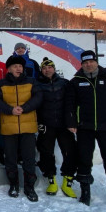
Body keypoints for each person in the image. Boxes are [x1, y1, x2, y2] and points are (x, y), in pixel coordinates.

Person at [64, 50, 106, 211]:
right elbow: (70, 104)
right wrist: (71, 122)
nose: (88, 64)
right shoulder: (76, 81)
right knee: (84, 159)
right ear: (82, 64)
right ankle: (85, 191)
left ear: (96, 62)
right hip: (84, 127)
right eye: (85, 62)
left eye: (91, 62)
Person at [0, 55, 42, 202]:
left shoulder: (32, 81)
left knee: (29, 159)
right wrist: (10, 110)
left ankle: (29, 187)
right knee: (11, 158)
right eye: (15, 66)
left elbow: (38, 97)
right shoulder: (1, 83)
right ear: (9, 69)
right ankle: (13, 185)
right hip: (9, 126)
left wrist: (25, 108)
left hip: (28, 126)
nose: (18, 68)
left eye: (20, 66)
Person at [36, 57, 77, 198]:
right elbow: (36, 106)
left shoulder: (64, 83)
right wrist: (39, 122)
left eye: (49, 67)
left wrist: (72, 121)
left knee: (69, 151)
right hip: (47, 124)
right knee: (46, 152)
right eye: (44, 68)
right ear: (41, 70)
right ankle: (51, 179)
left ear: (54, 68)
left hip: (64, 124)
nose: (47, 70)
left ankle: (68, 180)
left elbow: (72, 103)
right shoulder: (38, 84)